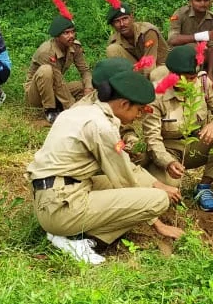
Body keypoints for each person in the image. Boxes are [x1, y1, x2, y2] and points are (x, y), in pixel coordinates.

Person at [27, 68, 184, 265]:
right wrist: (157, 221)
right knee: (158, 200)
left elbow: (123, 167)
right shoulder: (101, 127)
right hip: (62, 207)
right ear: (124, 104)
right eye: (139, 110)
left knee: (131, 192)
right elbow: (125, 179)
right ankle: (77, 241)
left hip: (52, 197)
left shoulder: (80, 111)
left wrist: (155, 183)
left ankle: (69, 235)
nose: (139, 116)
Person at [146, 44, 213, 212]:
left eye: (192, 77)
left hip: (196, 144)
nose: (190, 82)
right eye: (185, 78)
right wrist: (168, 162)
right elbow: (152, 139)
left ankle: (204, 187)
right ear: (172, 75)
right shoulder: (156, 94)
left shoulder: (202, 82)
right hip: (169, 149)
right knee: (167, 190)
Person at [25, 0, 92, 124]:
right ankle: (51, 110)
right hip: (36, 95)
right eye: (66, 33)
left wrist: (88, 88)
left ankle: (64, 106)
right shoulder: (46, 51)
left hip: (55, 87)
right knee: (46, 70)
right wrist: (72, 107)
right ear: (57, 36)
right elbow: (58, 81)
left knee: (82, 85)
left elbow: (85, 71)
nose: (71, 36)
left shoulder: (74, 46)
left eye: (72, 32)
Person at [103, 0, 169, 69]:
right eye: (117, 21)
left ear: (132, 18)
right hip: (137, 68)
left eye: (125, 19)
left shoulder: (147, 31)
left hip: (159, 67)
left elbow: (150, 63)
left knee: (156, 74)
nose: (122, 24)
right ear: (112, 25)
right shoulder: (113, 39)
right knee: (112, 49)